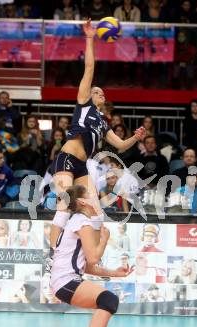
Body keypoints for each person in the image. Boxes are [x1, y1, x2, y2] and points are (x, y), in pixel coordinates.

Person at [48, 19, 145, 271]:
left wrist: (136, 137)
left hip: (82, 165)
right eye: (97, 91)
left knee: (96, 212)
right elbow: (89, 67)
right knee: (66, 204)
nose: (101, 93)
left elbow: (121, 146)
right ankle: (52, 254)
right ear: (89, 94)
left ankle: (89, 259)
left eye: (103, 92)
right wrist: (90, 37)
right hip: (67, 158)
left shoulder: (103, 122)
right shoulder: (83, 103)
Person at [50, 185, 127, 327]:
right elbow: (93, 258)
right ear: (82, 202)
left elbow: (87, 266)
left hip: (65, 281)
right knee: (109, 300)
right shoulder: (81, 222)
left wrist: (115, 273)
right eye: (90, 195)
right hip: (65, 281)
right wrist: (104, 240)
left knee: (105, 302)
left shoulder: (79, 221)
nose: (95, 198)